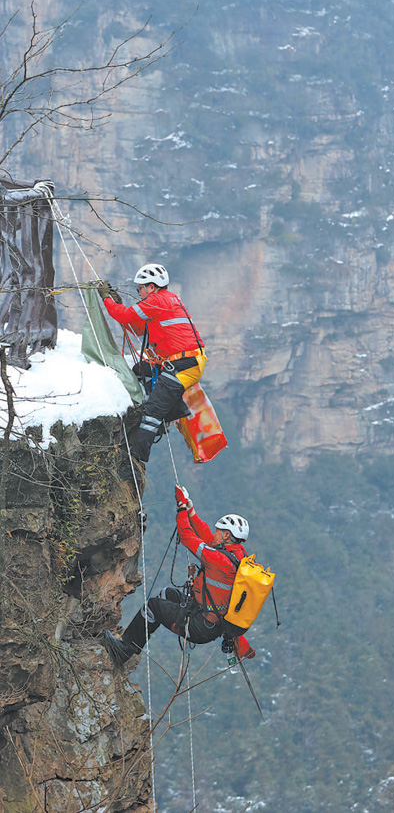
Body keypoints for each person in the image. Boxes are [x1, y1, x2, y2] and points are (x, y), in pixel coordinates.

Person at [103, 485, 255, 667]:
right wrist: (190, 510)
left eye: (218, 531)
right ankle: (131, 637)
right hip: (207, 616)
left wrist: (181, 509)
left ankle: (124, 651)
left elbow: (187, 536)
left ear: (226, 535)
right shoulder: (237, 555)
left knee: (154, 606)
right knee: (166, 594)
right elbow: (205, 534)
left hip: (201, 626)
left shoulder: (219, 560)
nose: (214, 533)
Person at [98, 264, 207, 466]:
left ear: (150, 287)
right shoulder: (167, 300)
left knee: (152, 412)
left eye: (139, 288)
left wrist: (106, 299)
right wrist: (117, 304)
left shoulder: (157, 300)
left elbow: (124, 316)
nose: (139, 293)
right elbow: (138, 328)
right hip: (184, 361)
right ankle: (175, 408)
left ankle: (136, 455)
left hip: (183, 364)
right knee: (141, 370)